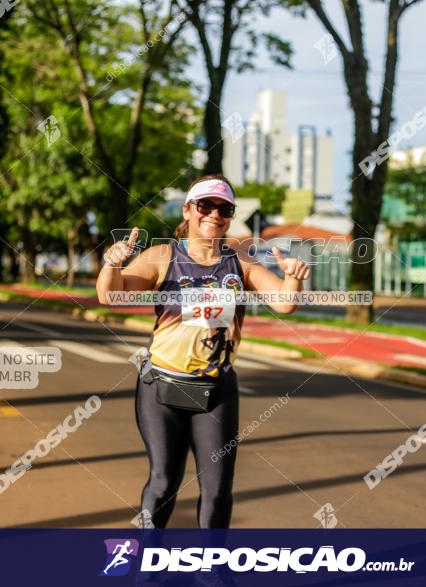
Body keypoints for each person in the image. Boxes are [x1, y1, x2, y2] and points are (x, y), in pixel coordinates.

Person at [96, 174, 310, 532]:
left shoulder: (240, 263)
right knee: (164, 481)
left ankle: (211, 570)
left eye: (224, 208)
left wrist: (294, 277)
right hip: (162, 387)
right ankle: (150, 562)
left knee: (217, 490)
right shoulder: (164, 256)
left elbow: (285, 303)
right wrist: (112, 263)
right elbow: (110, 296)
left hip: (216, 389)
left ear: (230, 216)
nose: (214, 214)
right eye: (205, 205)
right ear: (188, 210)